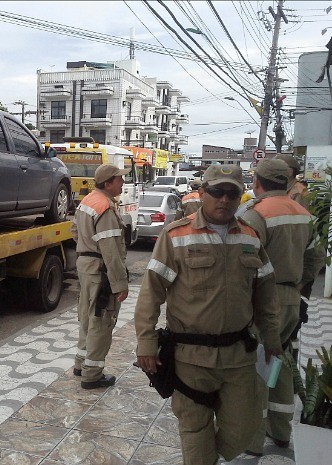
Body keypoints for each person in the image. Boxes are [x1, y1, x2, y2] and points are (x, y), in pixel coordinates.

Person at [134, 164, 282, 465]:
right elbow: (152, 291)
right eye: (217, 192)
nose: (224, 200)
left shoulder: (251, 238)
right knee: (194, 431)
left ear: (241, 196)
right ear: (203, 193)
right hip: (190, 358)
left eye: (232, 193)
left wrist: (273, 339)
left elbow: (266, 294)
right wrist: (146, 342)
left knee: (245, 426)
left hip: (238, 355)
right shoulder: (176, 235)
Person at [239, 159, 325, 455]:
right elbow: (316, 258)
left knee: (259, 366)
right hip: (292, 297)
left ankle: (252, 441)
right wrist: (301, 288)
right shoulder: (303, 213)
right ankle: (280, 431)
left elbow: (246, 264)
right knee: (283, 360)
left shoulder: (255, 215)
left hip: (264, 300)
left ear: (258, 183)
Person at [71, 163, 129, 389]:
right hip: (101, 270)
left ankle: (80, 364)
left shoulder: (87, 201)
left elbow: (74, 231)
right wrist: (120, 283)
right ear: (108, 183)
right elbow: (111, 251)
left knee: (87, 316)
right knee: (101, 320)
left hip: (86, 265)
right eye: (119, 179)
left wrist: (86, 248)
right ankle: (92, 374)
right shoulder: (105, 207)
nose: (122, 182)